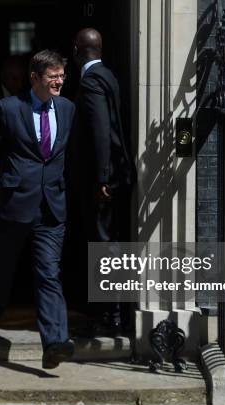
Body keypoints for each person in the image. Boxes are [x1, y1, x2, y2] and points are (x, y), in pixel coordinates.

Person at [0, 49, 75, 369]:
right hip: (15, 203)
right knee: (2, 270)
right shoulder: (8, 108)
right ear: (35, 78)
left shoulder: (68, 108)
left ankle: (55, 342)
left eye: (62, 75)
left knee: (49, 273)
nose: (59, 81)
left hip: (52, 208)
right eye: (52, 77)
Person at [72, 28, 134, 336]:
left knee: (103, 246)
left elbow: (99, 131)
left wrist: (101, 178)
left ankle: (110, 316)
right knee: (110, 244)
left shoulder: (91, 80)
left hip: (103, 179)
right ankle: (113, 312)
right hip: (116, 173)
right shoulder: (108, 74)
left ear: (77, 49)